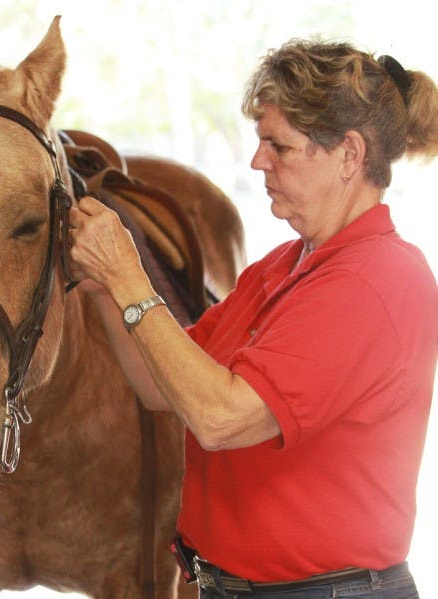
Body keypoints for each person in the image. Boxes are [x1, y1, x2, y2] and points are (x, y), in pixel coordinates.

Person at [68, 40, 438, 598]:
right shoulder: (284, 265)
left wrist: (130, 280)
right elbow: (163, 387)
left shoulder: (375, 279)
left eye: (278, 145)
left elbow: (219, 419)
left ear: (349, 155)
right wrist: (104, 289)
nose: (257, 160)